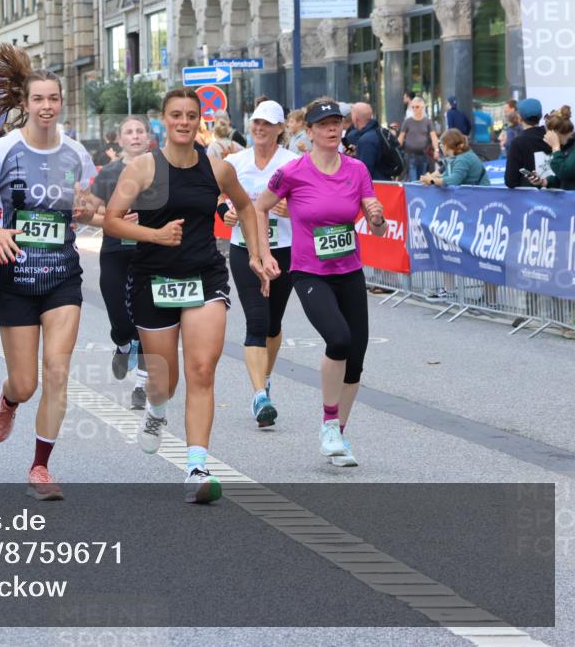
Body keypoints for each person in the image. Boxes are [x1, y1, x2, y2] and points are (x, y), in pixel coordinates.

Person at [103, 88, 273, 503]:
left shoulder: (218, 169)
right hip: (152, 279)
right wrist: (154, 234)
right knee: (165, 383)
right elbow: (110, 221)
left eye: (191, 115)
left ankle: (197, 467)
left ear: (200, 119)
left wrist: (257, 254)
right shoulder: (143, 168)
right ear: (163, 119)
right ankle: (157, 411)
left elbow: (247, 208)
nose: (183, 121)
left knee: (201, 370)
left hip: (204, 277)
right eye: (175, 115)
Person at [0, 44, 97, 501]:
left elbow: (87, 208)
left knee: (57, 372)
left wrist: (101, 212)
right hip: (14, 276)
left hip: (62, 276)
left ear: (61, 103)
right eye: (38, 99)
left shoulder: (77, 153)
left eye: (53, 99)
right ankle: (9, 399)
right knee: (26, 381)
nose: (46, 106)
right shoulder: (4, 149)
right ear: (25, 104)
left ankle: (40, 467)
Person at [255, 97, 388, 468]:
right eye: (324, 123)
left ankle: (338, 435)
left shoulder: (357, 169)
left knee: (356, 358)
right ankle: (329, 422)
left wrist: (376, 217)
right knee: (339, 340)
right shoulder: (294, 172)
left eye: (337, 123)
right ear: (309, 131)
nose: (333, 128)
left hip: (348, 270)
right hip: (310, 272)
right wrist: (264, 253)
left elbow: (375, 217)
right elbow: (260, 206)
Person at [221, 100, 299, 428]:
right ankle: (259, 396)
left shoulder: (293, 162)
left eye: (267, 123)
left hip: (284, 249)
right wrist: (223, 212)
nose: (259, 128)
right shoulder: (235, 161)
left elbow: (310, 202)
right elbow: (218, 195)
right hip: (245, 248)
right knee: (256, 320)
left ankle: (264, 377)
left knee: (272, 324)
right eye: (255, 123)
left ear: (280, 129)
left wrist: (291, 209)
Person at [85, 116, 151, 409]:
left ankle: (142, 385)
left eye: (140, 131)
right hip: (114, 251)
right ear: (120, 139)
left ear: (148, 137)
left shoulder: (160, 170)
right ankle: (122, 344)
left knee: (149, 319)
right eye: (129, 132)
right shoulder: (109, 173)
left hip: (150, 253)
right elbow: (89, 214)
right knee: (119, 314)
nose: (135, 136)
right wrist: (114, 220)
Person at [505, 98, 552, 189]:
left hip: (530, 199)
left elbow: (510, 181)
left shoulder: (518, 142)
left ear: (519, 118)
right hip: (557, 196)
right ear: (541, 116)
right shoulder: (552, 136)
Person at [421, 129, 491, 187]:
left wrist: (432, 180)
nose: (441, 147)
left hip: (481, 195)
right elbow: (443, 173)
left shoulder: (463, 159)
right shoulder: (456, 157)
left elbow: (454, 180)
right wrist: (428, 178)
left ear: (446, 146)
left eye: (441, 144)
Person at [527, 105, 575, 190]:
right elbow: (566, 178)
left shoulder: (567, 147)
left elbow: (564, 172)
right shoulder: (567, 146)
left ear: (555, 132)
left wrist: (555, 148)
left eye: (549, 133)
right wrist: (543, 181)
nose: (547, 136)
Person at [399, 97, 440, 181]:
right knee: (413, 179)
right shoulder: (407, 121)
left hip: (424, 155)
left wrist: (436, 150)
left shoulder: (428, 122)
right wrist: (396, 151)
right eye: (412, 107)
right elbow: (400, 138)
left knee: (423, 180)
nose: (414, 109)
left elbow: (434, 137)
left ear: (422, 107)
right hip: (410, 155)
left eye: (417, 107)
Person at [346, 102, 388, 180]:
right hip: (384, 180)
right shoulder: (377, 131)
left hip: (376, 186)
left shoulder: (366, 140)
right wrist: (357, 153)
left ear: (355, 118)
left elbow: (364, 171)